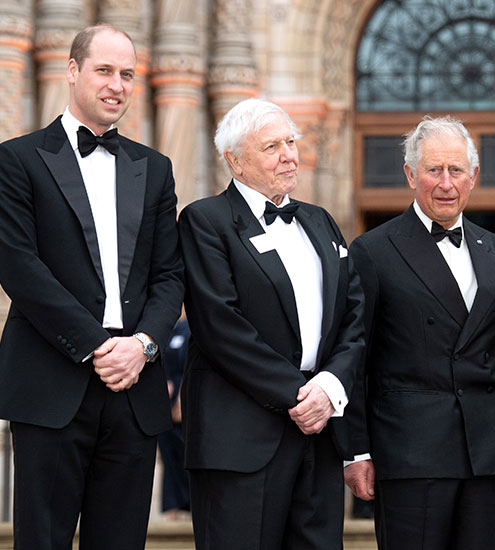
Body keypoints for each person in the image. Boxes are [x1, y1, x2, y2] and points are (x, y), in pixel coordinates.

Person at [0, 24, 184, 550]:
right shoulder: (16, 160)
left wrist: (142, 345)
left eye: (127, 74)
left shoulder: (155, 168)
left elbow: (169, 274)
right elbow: (18, 266)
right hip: (51, 382)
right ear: (73, 71)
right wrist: (98, 346)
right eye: (104, 70)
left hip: (133, 391)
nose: (117, 85)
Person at [178, 98, 364, 549]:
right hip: (241, 439)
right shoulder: (206, 221)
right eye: (272, 146)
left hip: (318, 435)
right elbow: (220, 325)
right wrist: (298, 395)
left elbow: (355, 313)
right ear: (234, 161)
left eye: (291, 142)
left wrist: (329, 390)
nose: (289, 155)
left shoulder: (320, 221)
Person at [344, 115, 495, 550]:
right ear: (411, 175)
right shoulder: (372, 251)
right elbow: (355, 355)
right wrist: (356, 451)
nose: (445, 183)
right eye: (433, 170)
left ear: (474, 176)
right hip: (410, 452)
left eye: (456, 170)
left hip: (485, 449)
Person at [157, 313, 191, 519]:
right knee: (169, 453)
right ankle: (174, 505)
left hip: (185, 397)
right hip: (165, 400)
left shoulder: (191, 328)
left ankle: (191, 502)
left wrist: (180, 399)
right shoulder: (170, 328)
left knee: (186, 450)